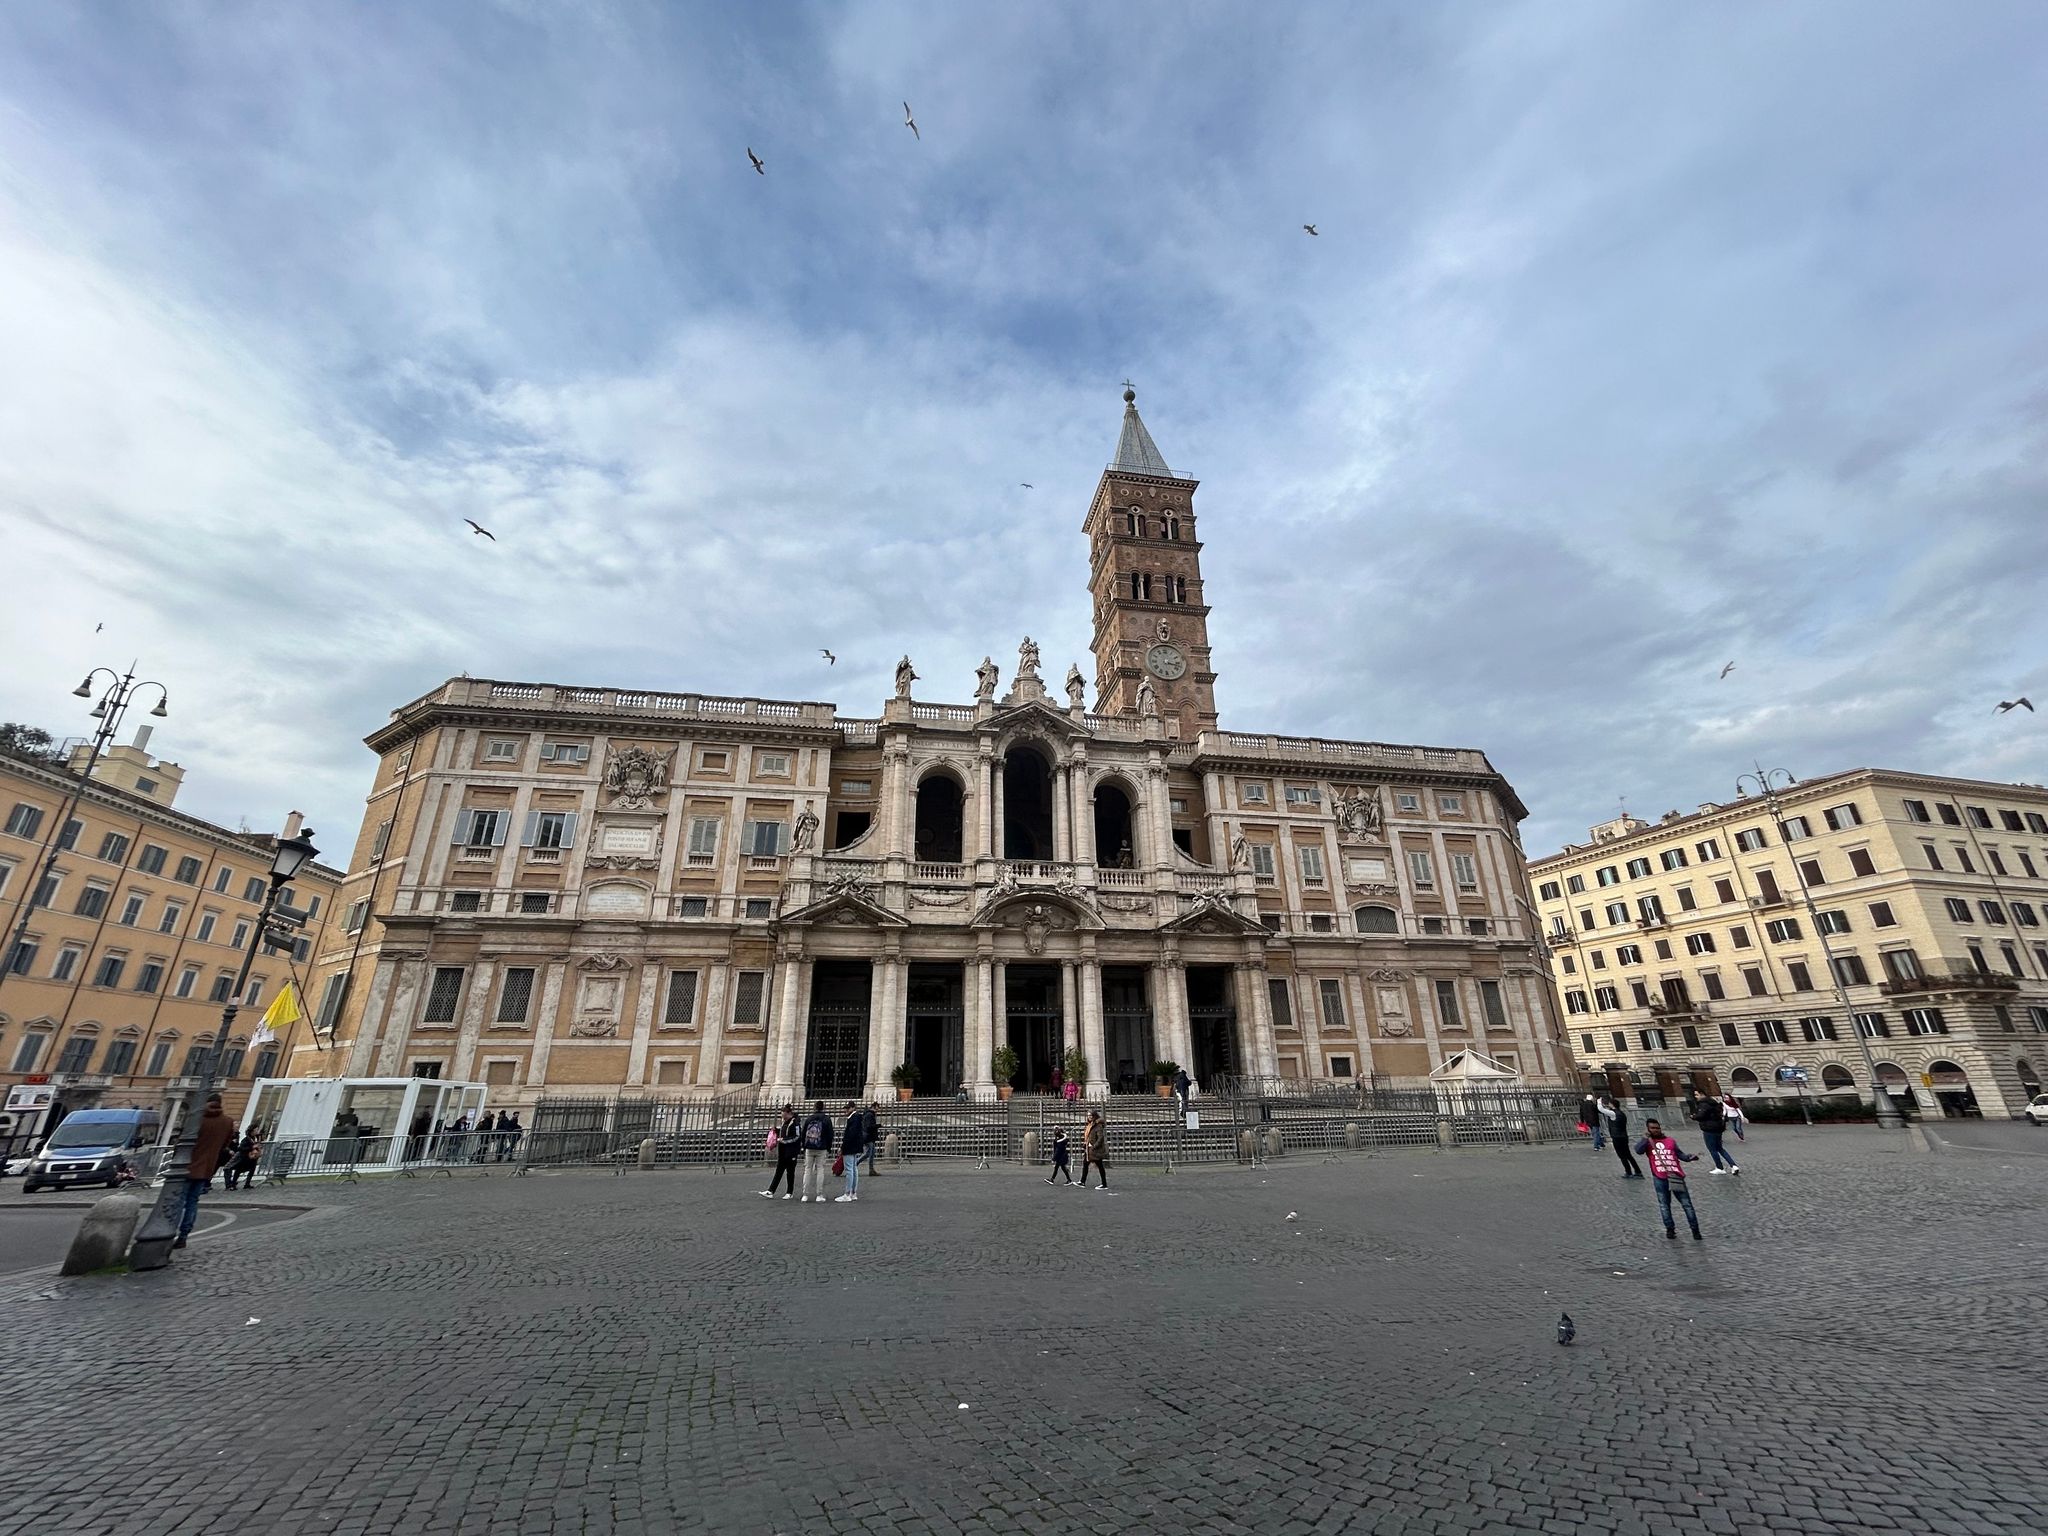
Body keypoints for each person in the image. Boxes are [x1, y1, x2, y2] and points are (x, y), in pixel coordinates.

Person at [175, 1093, 239, 1249]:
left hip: (186, 1164)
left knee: (178, 1200)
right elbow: (225, 1144)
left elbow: (182, 1140)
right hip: (206, 1168)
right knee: (192, 1201)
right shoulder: (227, 1122)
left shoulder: (196, 1118)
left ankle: (168, 1231)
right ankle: (183, 1235)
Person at [1634, 1118, 1704, 1240]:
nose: (1656, 1130)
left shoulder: (1670, 1141)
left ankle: (1695, 1230)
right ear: (1648, 1129)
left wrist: (1690, 1157)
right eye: (1652, 1128)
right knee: (1664, 1205)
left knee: (1687, 1204)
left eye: (1657, 1128)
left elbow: (1680, 1154)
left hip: (1675, 1175)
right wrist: (1645, 1138)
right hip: (1660, 1177)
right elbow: (1638, 1150)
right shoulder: (1648, 1143)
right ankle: (1670, 1229)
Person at [1693, 1092, 1740, 1174]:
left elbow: (1700, 1115)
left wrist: (1693, 1116)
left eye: (1697, 1095)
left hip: (1709, 1128)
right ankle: (1733, 1165)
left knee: (1712, 1149)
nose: (1695, 1097)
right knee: (1720, 1148)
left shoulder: (1703, 1104)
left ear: (1702, 1094)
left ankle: (1720, 1167)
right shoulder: (1713, 1102)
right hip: (1718, 1128)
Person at [798, 1099, 835, 1204]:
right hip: (822, 1147)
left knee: (807, 1170)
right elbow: (830, 1134)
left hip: (809, 1147)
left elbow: (803, 1132)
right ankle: (819, 1194)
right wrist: (828, 1147)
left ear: (814, 1107)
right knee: (820, 1170)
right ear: (823, 1108)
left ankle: (805, 1195)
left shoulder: (809, 1118)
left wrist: (804, 1146)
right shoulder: (826, 1119)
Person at [762, 1105, 802, 1199]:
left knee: (790, 1172)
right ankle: (771, 1190)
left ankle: (789, 1192)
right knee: (779, 1171)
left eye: (783, 1114)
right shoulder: (785, 1122)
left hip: (791, 1151)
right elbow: (784, 1132)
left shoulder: (795, 1123)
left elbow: (796, 1137)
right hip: (783, 1150)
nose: (782, 1116)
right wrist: (776, 1130)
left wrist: (783, 1140)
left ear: (788, 1113)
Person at [1599, 1096, 1642, 1179]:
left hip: (1617, 1137)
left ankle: (1628, 1172)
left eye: (1610, 1104)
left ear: (1612, 1105)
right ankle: (1638, 1171)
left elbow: (1601, 1109)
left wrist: (1598, 1101)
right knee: (1628, 1155)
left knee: (1622, 1156)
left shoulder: (1613, 1113)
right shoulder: (1621, 1113)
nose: (1609, 1105)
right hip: (1623, 1136)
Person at [836, 1102, 867, 1202]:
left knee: (849, 1169)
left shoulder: (853, 1119)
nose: (846, 1110)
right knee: (854, 1169)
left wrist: (843, 1147)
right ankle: (853, 1192)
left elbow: (850, 1135)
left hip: (850, 1147)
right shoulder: (857, 1118)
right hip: (855, 1146)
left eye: (848, 1108)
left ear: (853, 1108)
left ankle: (848, 1193)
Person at [1080, 1111, 1109, 1191]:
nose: (1089, 1117)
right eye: (1088, 1115)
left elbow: (1100, 1138)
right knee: (1085, 1164)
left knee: (1100, 1166)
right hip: (1089, 1148)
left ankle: (1104, 1184)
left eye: (1091, 1115)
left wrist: (1094, 1146)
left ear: (1094, 1116)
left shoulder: (1098, 1126)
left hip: (1094, 1149)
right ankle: (1082, 1181)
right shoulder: (1090, 1125)